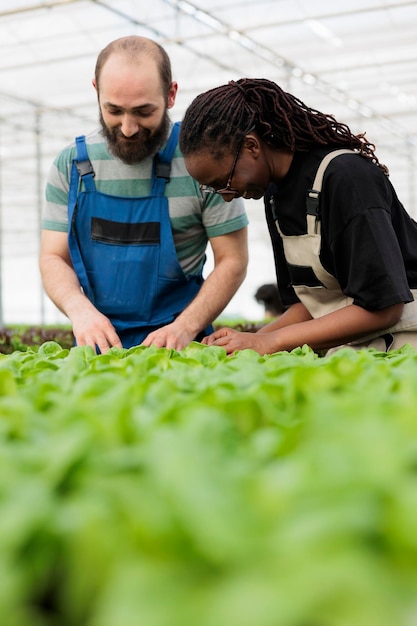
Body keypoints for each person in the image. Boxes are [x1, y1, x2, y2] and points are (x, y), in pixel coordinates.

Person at [179, 77, 417, 356]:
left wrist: (271, 342)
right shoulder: (274, 196)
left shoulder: (346, 178)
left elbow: (384, 307)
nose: (227, 196)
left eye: (225, 181)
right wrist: (246, 342)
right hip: (359, 350)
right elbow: (309, 304)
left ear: (251, 146)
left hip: (404, 344)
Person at [39, 37, 248, 353]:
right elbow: (53, 256)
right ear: (96, 91)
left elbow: (233, 259)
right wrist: (78, 310)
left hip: (181, 347)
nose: (128, 128)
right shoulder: (71, 165)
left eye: (143, 111)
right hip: (97, 347)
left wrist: (184, 327)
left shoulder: (202, 162)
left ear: (171, 94)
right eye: (114, 110)